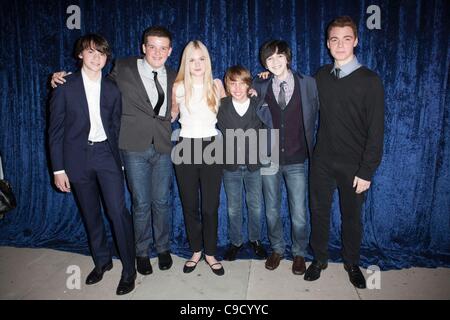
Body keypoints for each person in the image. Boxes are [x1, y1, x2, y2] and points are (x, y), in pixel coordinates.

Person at [51, 26, 176, 275]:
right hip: (128, 148)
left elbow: (197, 89)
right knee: (136, 204)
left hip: (157, 146)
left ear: (170, 51)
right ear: (143, 48)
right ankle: (133, 255)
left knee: (159, 202)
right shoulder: (123, 67)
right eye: (152, 46)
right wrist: (57, 78)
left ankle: (161, 249)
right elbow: (58, 127)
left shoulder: (175, 74)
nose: (157, 52)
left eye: (163, 48)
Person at [48, 34, 136, 295]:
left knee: (118, 212)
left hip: (107, 157)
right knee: (90, 214)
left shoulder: (112, 88)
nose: (96, 57)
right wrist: (58, 169)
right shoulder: (64, 86)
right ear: (80, 55)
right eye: (91, 52)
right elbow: (55, 131)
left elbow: (117, 125)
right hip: (77, 159)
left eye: (101, 53)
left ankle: (129, 270)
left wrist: (120, 160)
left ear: (107, 58)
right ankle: (102, 261)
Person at [304, 16, 384, 289]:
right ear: (327, 44)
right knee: (319, 212)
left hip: (354, 165)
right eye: (334, 39)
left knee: (351, 218)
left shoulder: (370, 80)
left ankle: (351, 262)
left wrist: (366, 170)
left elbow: (377, 131)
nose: (340, 44)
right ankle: (320, 258)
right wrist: (266, 78)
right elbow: (295, 93)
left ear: (356, 41)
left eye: (346, 38)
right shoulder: (321, 76)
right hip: (322, 160)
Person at [253, 40, 319, 275]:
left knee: (299, 212)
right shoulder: (260, 85)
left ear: (288, 57)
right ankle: (277, 249)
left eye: (279, 56)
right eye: (269, 59)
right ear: (265, 63)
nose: (275, 62)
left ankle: (299, 253)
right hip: (268, 158)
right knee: (271, 209)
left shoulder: (308, 84)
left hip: (297, 158)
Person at [171, 40, 226, 276]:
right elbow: (171, 114)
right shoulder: (177, 86)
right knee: (190, 203)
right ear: (186, 62)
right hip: (185, 147)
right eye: (191, 59)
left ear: (207, 61)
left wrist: (254, 90)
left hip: (212, 146)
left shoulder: (216, 84)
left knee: (210, 205)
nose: (196, 64)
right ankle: (195, 250)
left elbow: (231, 111)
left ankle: (210, 252)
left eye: (201, 58)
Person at [217, 65, 267, 261]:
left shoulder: (258, 103)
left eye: (242, 83)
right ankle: (236, 242)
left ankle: (255, 240)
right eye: (233, 83)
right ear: (227, 85)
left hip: (254, 164)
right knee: (233, 206)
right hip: (230, 166)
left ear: (249, 85)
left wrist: (265, 79)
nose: (237, 88)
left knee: (255, 205)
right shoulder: (220, 105)